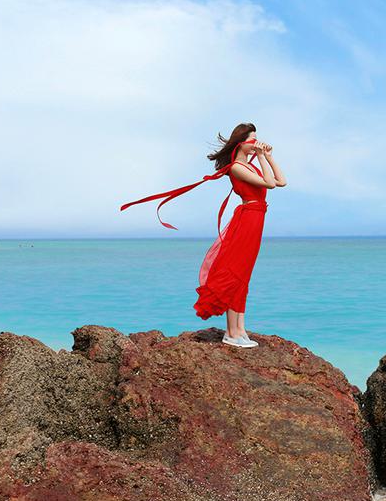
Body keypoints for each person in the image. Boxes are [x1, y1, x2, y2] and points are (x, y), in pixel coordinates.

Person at [119, 122, 286, 347]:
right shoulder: (237, 167)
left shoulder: (250, 166)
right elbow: (270, 184)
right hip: (247, 219)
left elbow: (281, 181)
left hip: (256, 220)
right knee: (235, 273)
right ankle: (231, 333)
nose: (257, 143)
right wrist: (263, 157)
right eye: (252, 140)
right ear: (241, 143)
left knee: (244, 276)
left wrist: (269, 157)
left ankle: (240, 329)